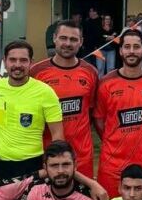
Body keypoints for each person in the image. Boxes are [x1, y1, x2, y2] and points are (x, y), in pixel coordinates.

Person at [94, 29, 142, 197]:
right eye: (127, 46)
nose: (131, 51)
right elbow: (98, 120)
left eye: (136, 47)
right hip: (111, 163)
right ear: (120, 50)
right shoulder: (106, 83)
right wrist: (111, 142)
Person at [29, 20, 101, 178]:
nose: (68, 43)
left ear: (81, 42)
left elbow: (90, 112)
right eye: (63, 38)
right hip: (47, 154)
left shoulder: (91, 72)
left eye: (74, 39)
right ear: (54, 38)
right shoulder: (36, 72)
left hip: (81, 156)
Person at [0, 40, 64, 179]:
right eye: (12, 60)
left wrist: (53, 166)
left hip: (32, 164)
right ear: (5, 62)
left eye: (23, 60)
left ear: (31, 62)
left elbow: (58, 136)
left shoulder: (45, 92)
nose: (17, 65)